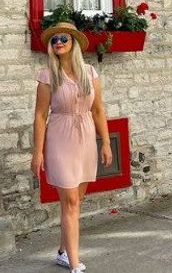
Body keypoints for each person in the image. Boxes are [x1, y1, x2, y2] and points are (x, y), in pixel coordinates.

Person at [32, 22, 112, 272]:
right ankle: (75, 265)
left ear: (73, 42)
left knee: (77, 199)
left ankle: (63, 251)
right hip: (59, 138)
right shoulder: (47, 76)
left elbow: (98, 110)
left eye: (63, 39)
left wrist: (106, 143)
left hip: (85, 137)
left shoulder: (90, 73)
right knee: (70, 203)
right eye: (54, 40)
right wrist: (37, 152)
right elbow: (40, 115)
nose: (58, 43)